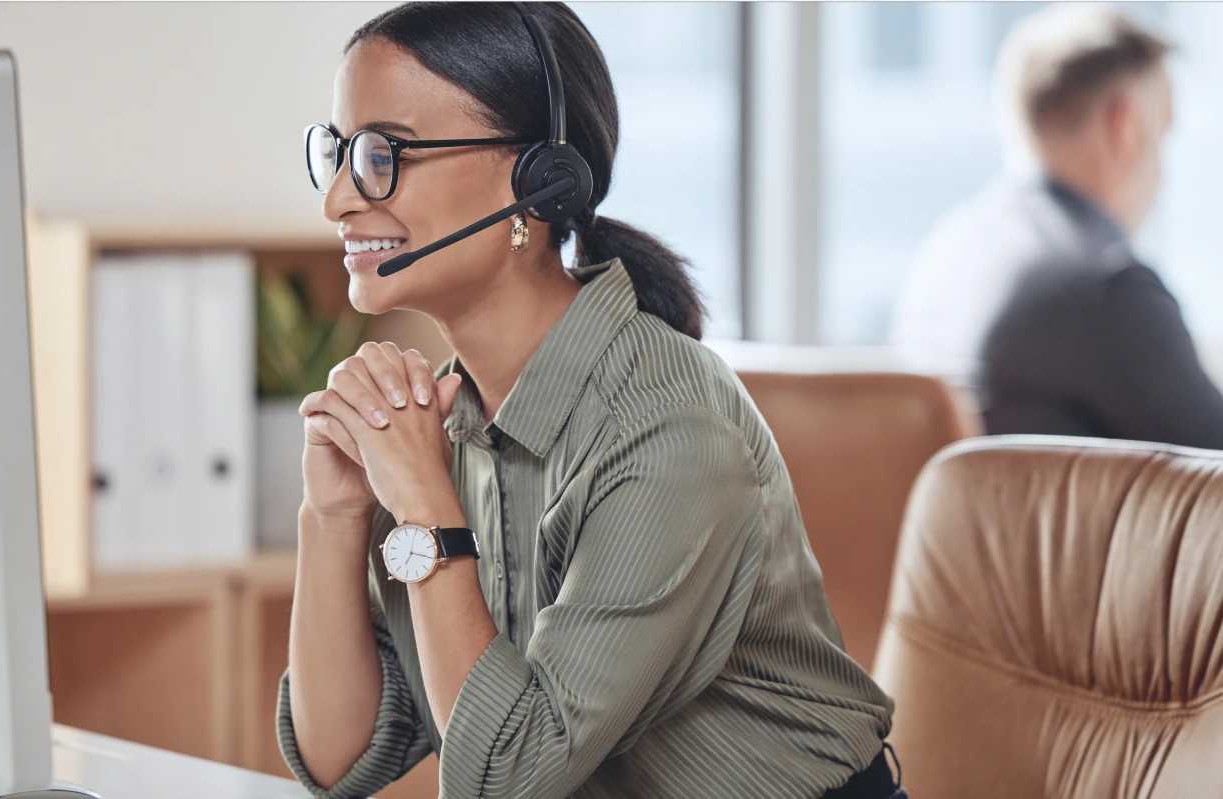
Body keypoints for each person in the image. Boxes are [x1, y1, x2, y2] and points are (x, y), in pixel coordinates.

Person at [280, 4, 903, 798]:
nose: (337, 199)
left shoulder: (668, 427)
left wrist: (427, 509)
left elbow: (505, 779)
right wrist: (332, 517)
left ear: (539, 181)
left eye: (382, 155)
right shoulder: (449, 418)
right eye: (336, 153)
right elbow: (342, 755)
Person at [891, 6, 1223, 449]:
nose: (1162, 174)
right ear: (1124, 127)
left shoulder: (949, 251)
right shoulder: (1108, 287)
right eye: (1162, 136)